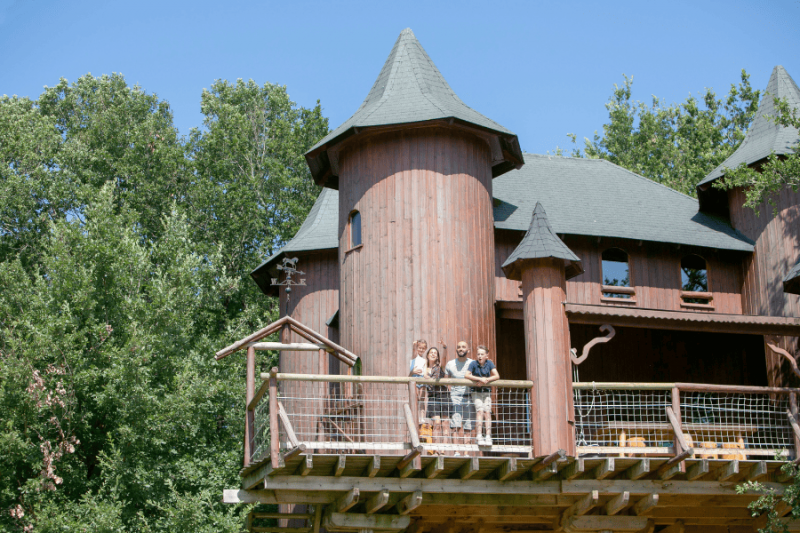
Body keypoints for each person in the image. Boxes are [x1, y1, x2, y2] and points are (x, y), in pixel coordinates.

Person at [464, 345, 500, 446]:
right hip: (476, 391)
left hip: (486, 391)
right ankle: (479, 435)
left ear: (486, 356)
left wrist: (486, 380)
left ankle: (488, 436)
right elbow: (467, 375)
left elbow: (497, 375)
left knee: (487, 412)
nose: (480, 356)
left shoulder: (489, 363)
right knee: (479, 411)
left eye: (482, 354)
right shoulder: (473, 363)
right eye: (478, 354)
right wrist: (479, 379)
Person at [444, 340, 475, 453]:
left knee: (467, 426)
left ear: (468, 350)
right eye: (459, 347)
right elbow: (445, 380)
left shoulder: (473, 363)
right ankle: (456, 452)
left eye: (463, 347)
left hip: (469, 397)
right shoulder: (450, 364)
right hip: (455, 398)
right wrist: (449, 394)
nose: (461, 349)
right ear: (456, 350)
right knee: (455, 425)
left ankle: (466, 452)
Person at [421, 347, 448, 445]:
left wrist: (444, 348)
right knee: (436, 423)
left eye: (435, 353)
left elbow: (444, 358)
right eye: (431, 353)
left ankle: (444, 449)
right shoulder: (424, 368)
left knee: (445, 423)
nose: (433, 354)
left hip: (444, 396)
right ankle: (436, 448)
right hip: (433, 397)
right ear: (427, 355)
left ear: (437, 357)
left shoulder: (440, 367)